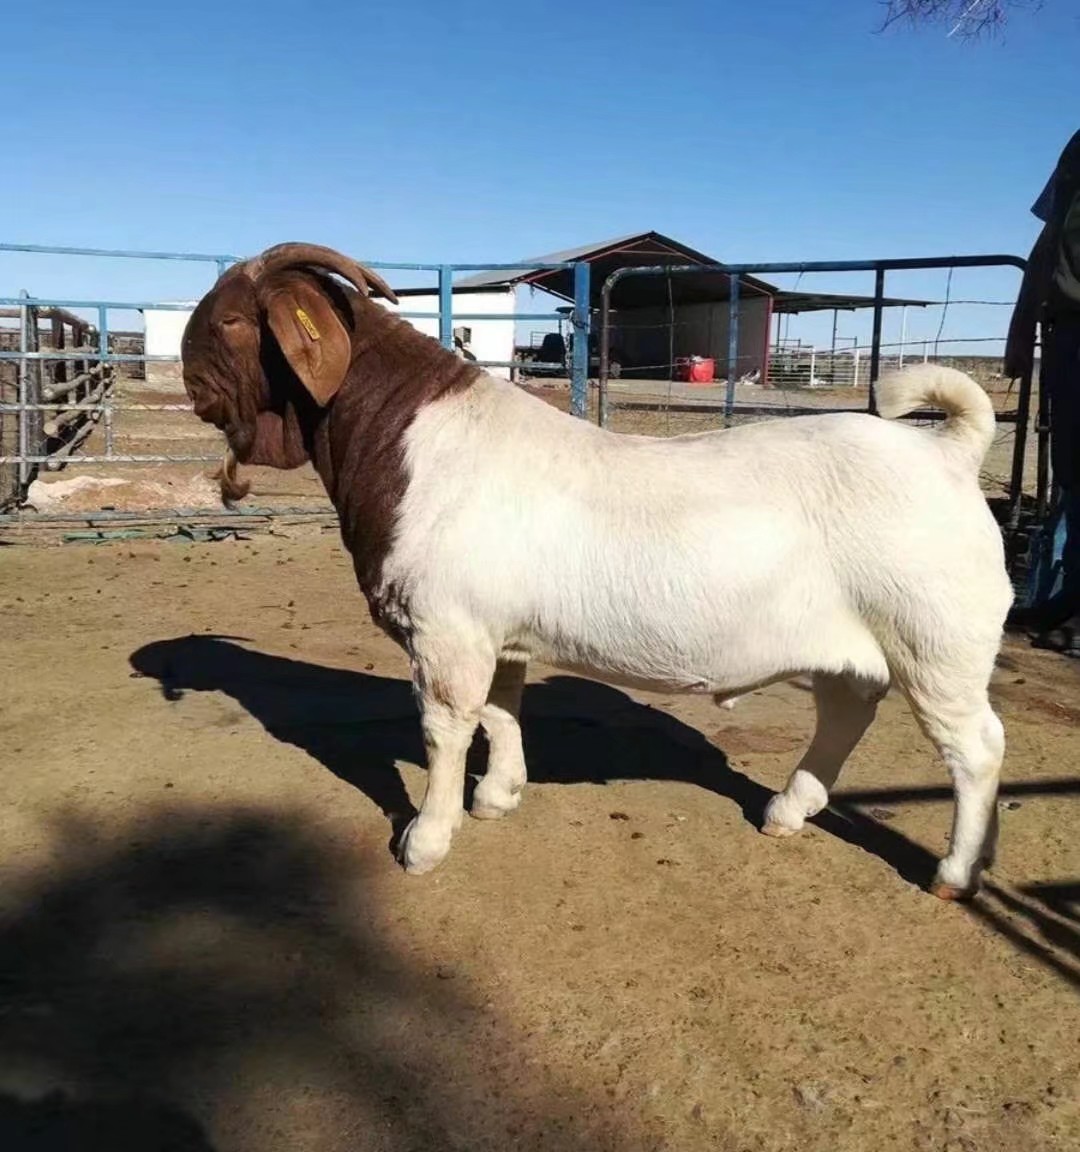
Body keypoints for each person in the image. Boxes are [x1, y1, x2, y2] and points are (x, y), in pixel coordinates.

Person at [1005, 129, 1080, 654]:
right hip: (1069, 329)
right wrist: (1021, 326)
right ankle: (1066, 601)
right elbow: (1049, 238)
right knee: (1074, 474)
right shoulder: (1079, 145)